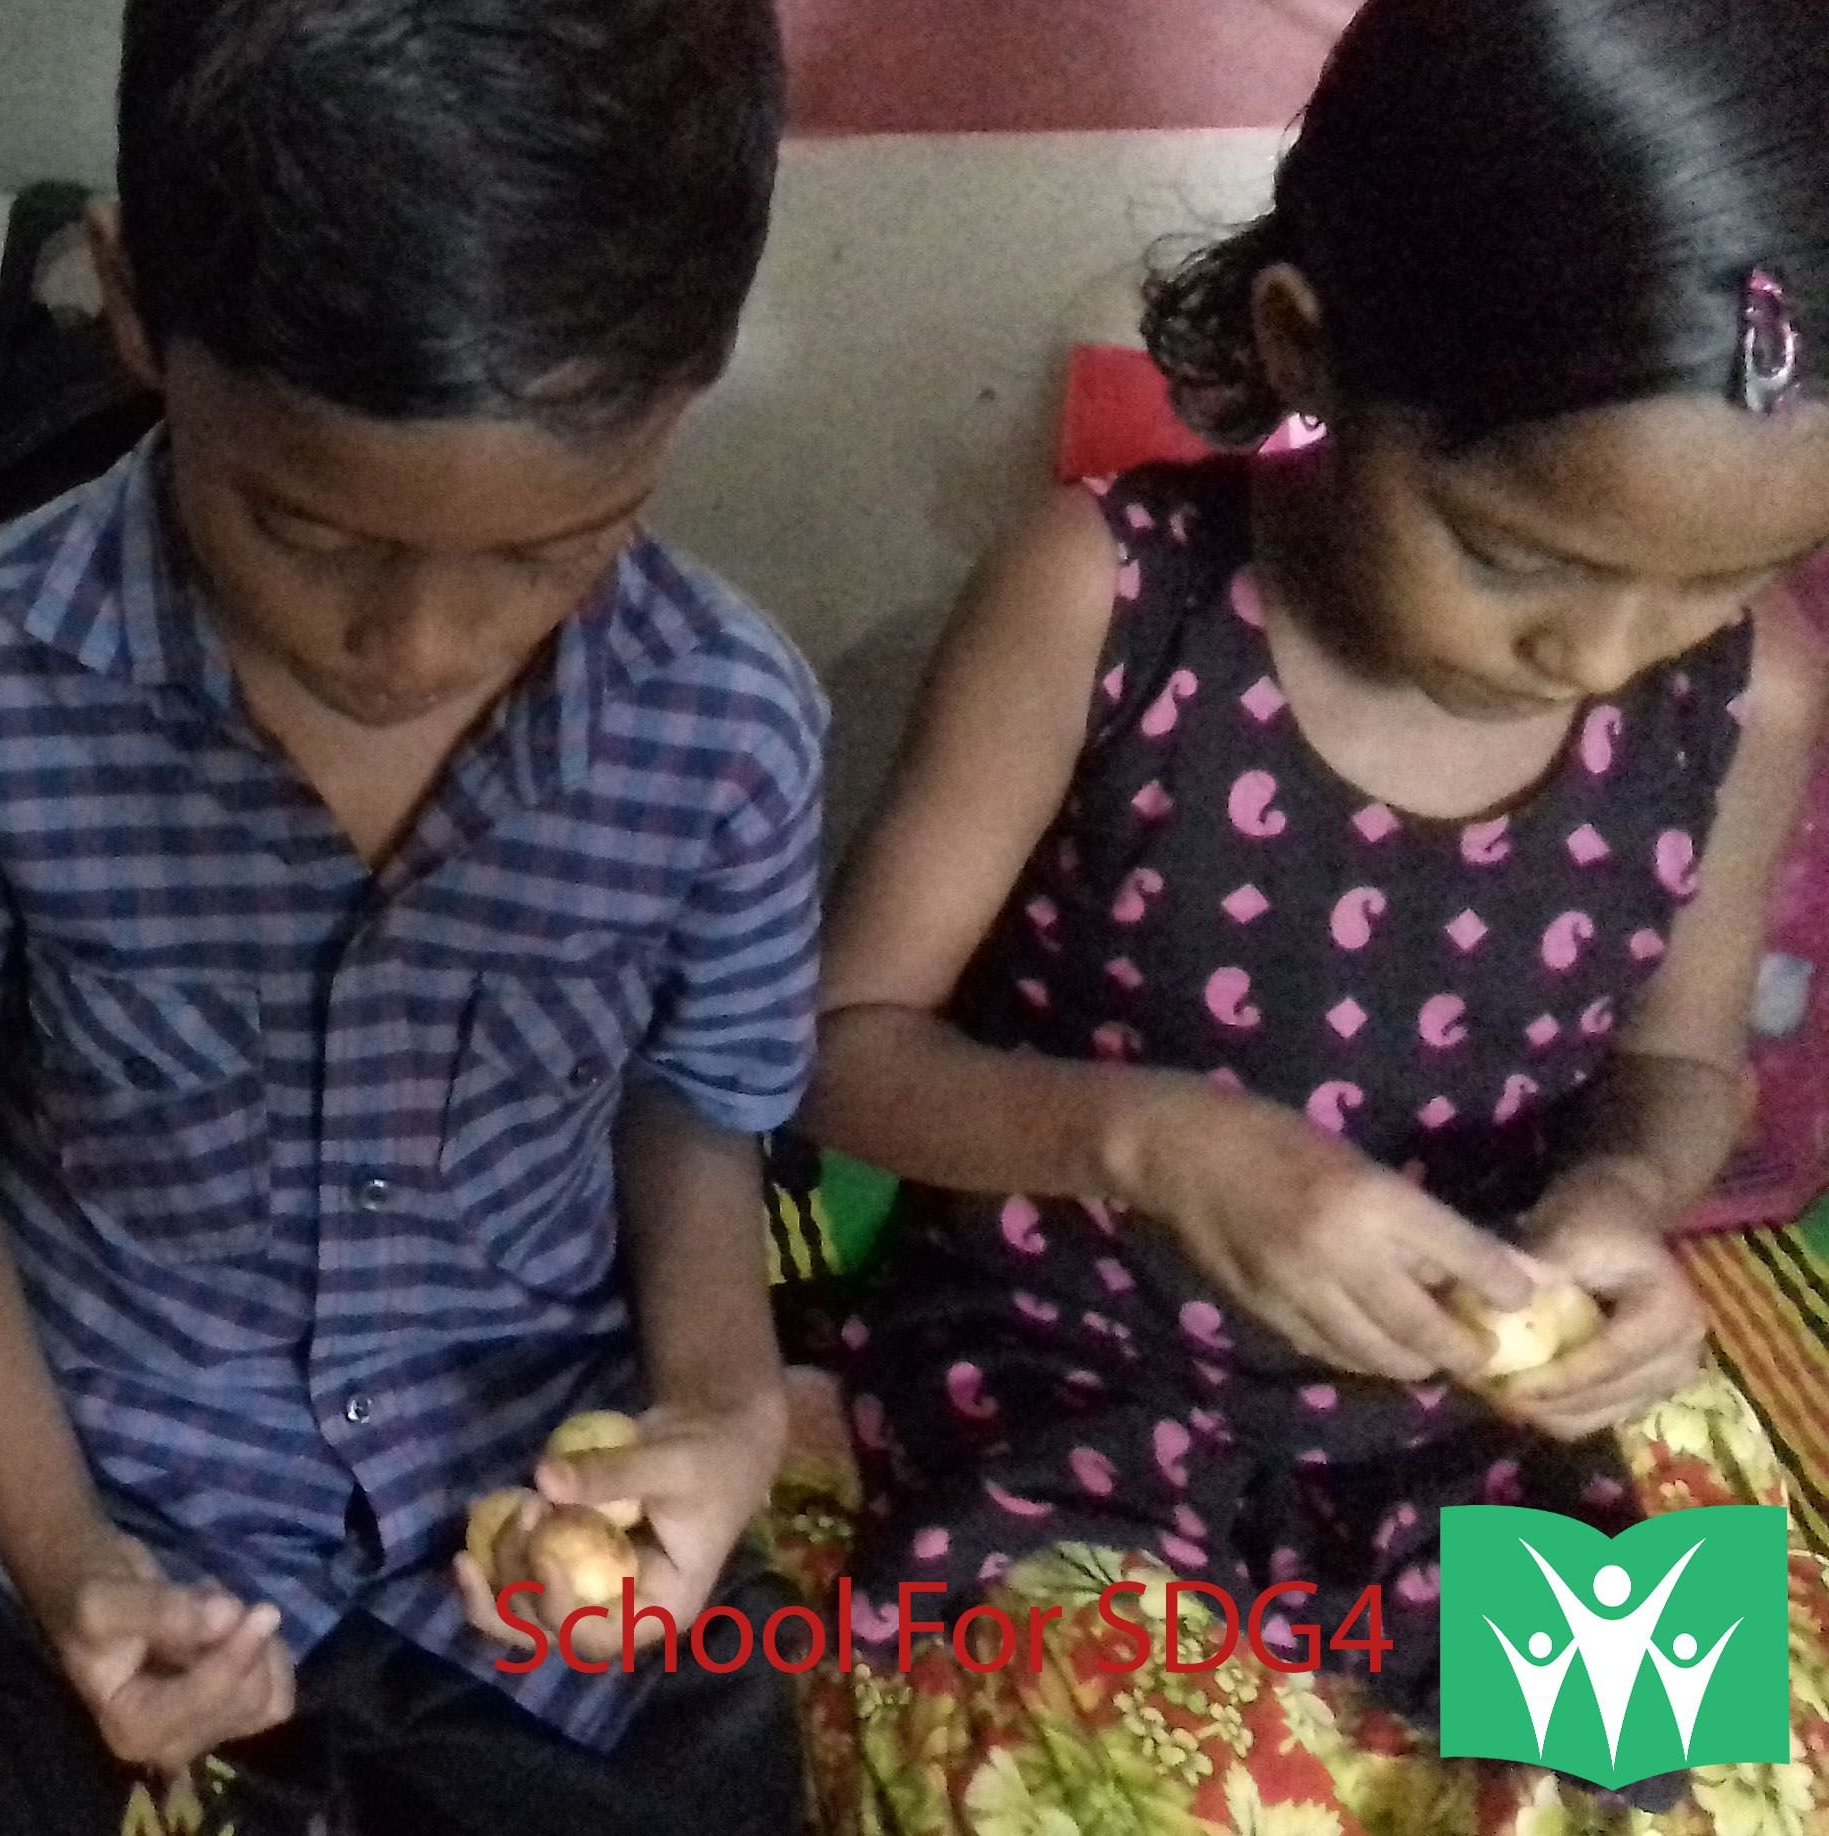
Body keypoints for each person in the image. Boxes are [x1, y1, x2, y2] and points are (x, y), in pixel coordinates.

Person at [0, 1, 820, 1830]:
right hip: (85, 1460)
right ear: (135, 307)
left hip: (518, 1489)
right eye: (310, 533)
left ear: (690, 394)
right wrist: (64, 1554)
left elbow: (700, 1113)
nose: (420, 647)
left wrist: (726, 1412)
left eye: (553, 552)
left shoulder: (728, 722)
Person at [784, 1, 1829, 1828]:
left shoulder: (1754, 698)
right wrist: (1170, 1148)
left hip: (1486, 1428)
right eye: (1518, 556)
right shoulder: (1108, 602)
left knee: (1701, 1787)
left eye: (1722, 577)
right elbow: (839, 1055)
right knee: (1121, 1791)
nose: (1598, 658)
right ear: (1306, 351)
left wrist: (1623, 1204)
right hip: (1076, 1370)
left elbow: (1682, 1068)